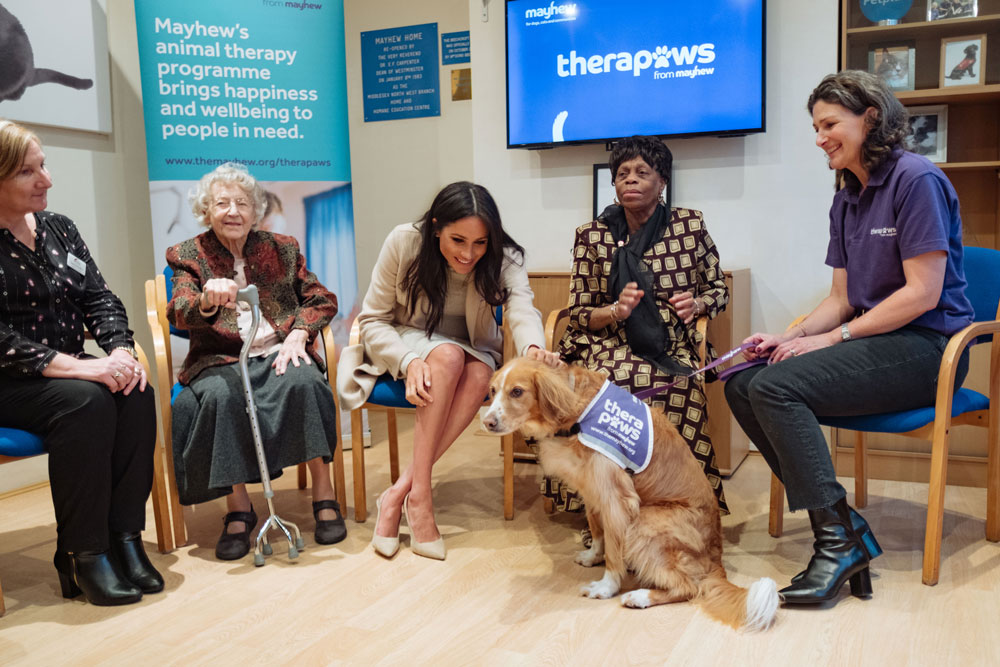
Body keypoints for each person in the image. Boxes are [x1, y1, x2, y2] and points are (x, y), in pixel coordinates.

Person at [724, 70, 973, 605]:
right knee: (745, 381)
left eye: (830, 124)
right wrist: (788, 335)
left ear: (871, 118)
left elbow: (923, 294)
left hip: (930, 349)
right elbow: (840, 297)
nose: (820, 138)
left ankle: (837, 540)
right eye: (816, 127)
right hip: (876, 344)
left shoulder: (917, 180)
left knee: (774, 388)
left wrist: (832, 339)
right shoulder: (847, 197)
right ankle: (841, 526)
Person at [338, 181, 559, 561]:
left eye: (480, 243)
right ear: (436, 226)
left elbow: (522, 310)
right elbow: (373, 319)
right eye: (458, 240)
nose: (469, 254)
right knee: (449, 358)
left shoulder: (505, 256)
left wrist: (534, 348)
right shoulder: (403, 242)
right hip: (406, 343)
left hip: (472, 352)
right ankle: (419, 498)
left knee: (475, 373)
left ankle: (400, 492)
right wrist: (408, 361)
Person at [0, 119, 160, 605]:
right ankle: (82, 553)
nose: (46, 179)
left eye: (43, 165)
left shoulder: (58, 229)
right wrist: (78, 367)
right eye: (29, 172)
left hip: (71, 374)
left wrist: (118, 351)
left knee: (135, 391)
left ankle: (123, 539)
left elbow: (101, 299)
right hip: (12, 380)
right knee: (87, 400)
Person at [167, 162, 345, 560]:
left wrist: (299, 332)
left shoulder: (282, 248)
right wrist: (206, 301)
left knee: (306, 383)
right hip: (221, 358)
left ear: (256, 209)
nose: (233, 211)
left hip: (280, 347)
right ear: (206, 210)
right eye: (222, 203)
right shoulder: (187, 255)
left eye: (242, 203)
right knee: (220, 399)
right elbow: (178, 310)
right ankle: (238, 508)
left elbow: (322, 299)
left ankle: (323, 490)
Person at [555, 135, 729, 514]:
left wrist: (697, 302)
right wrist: (617, 310)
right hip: (607, 343)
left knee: (677, 387)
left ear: (662, 181)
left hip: (669, 344)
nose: (630, 180)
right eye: (622, 174)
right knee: (610, 389)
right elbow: (581, 312)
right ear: (614, 185)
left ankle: (680, 500)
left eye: (641, 172)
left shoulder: (689, 226)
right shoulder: (593, 236)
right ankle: (604, 508)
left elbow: (718, 289)